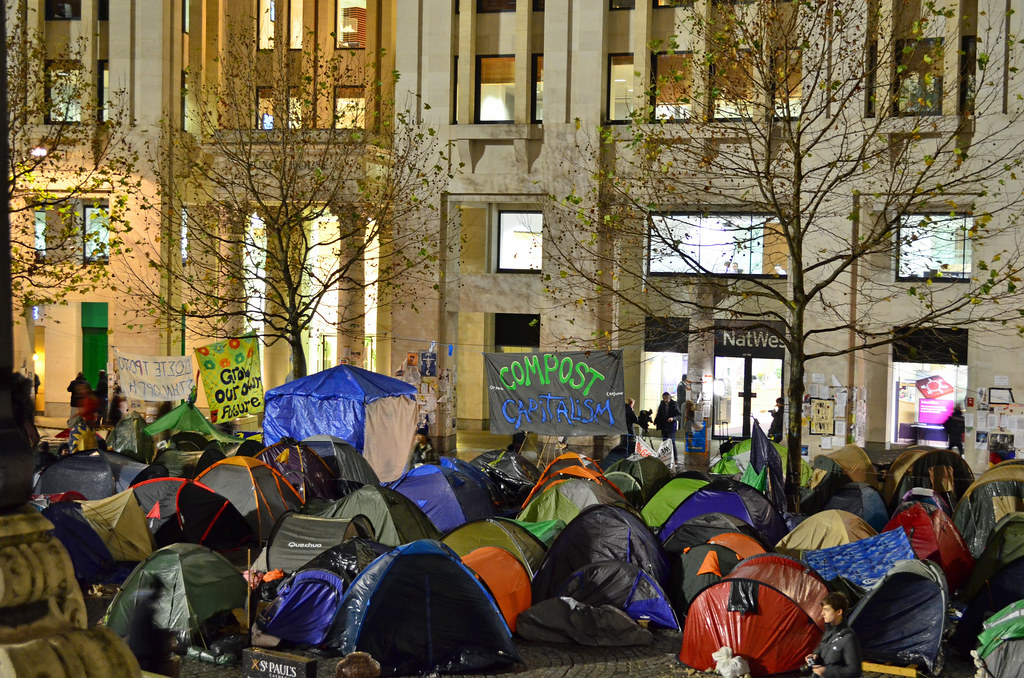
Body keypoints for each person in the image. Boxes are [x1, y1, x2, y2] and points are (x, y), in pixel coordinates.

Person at [805, 592, 862, 678]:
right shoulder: (830, 632)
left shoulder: (848, 638)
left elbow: (854, 671)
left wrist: (826, 671)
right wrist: (816, 655)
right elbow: (823, 646)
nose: (822, 614)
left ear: (839, 612)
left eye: (826, 610)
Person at [654, 391, 681, 456]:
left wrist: (673, 418)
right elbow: (659, 414)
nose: (665, 400)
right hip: (664, 426)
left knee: (671, 442)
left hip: (671, 426)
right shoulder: (662, 404)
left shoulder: (674, 404)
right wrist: (655, 421)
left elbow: (679, 415)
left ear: (669, 398)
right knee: (664, 442)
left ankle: (675, 457)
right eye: (664, 398)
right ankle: (665, 456)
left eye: (666, 398)